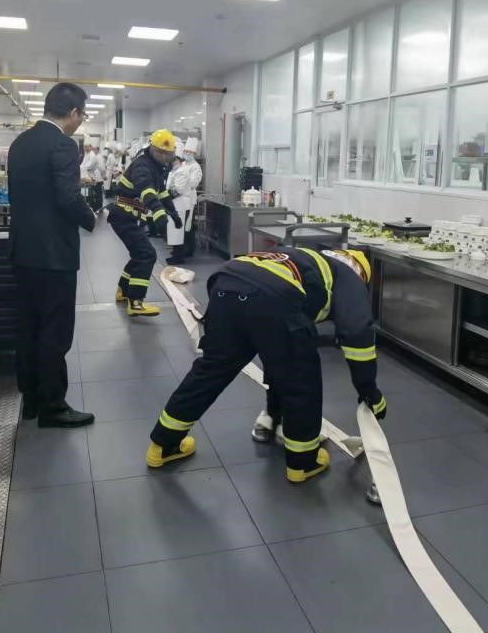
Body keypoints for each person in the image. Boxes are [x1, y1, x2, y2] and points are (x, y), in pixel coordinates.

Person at [145, 246, 385, 482]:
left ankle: (163, 445)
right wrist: (369, 391)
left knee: (211, 371)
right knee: (301, 378)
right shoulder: (349, 277)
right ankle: (303, 463)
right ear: (360, 272)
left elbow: (277, 346)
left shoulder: (304, 256)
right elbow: (358, 336)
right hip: (272, 296)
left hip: (225, 281)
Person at [8, 83, 96, 428]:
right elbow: (68, 197)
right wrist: (91, 218)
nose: (80, 121)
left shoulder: (21, 143)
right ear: (73, 113)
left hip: (23, 252)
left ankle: (30, 400)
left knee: (28, 326)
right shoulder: (62, 144)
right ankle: (53, 407)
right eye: (82, 115)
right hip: (54, 255)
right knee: (54, 331)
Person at [109, 129, 181, 316]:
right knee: (147, 254)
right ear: (155, 150)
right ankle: (135, 302)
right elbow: (146, 189)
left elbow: (162, 193)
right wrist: (157, 210)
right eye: (164, 153)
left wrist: (173, 214)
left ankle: (123, 291)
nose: (167, 157)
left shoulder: (156, 167)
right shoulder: (143, 165)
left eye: (169, 154)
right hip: (124, 216)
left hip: (129, 216)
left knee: (138, 254)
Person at [166, 137, 203, 264]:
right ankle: (181, 250)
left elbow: (192, 183)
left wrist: (178, 188)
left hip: (188, 198)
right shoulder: (183, 166)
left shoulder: (195, 167)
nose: (187, 154)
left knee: (187, 226)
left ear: (194, 153)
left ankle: (187, 249)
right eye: (185, 151)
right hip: (181, 198)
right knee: (182, 227)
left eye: (189, 152)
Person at [79, 141, 104, 210]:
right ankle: (93, 207)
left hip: (95, 178)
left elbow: (88, 166)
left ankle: (98, 208)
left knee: (97, 194)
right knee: (92, 194)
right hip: (89, 177)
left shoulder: (92, 155)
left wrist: (103, 176)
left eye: (87, 147)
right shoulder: (87, 154)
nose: (85, 148)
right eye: (84, 147)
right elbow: (83, 165)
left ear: (91, 147)